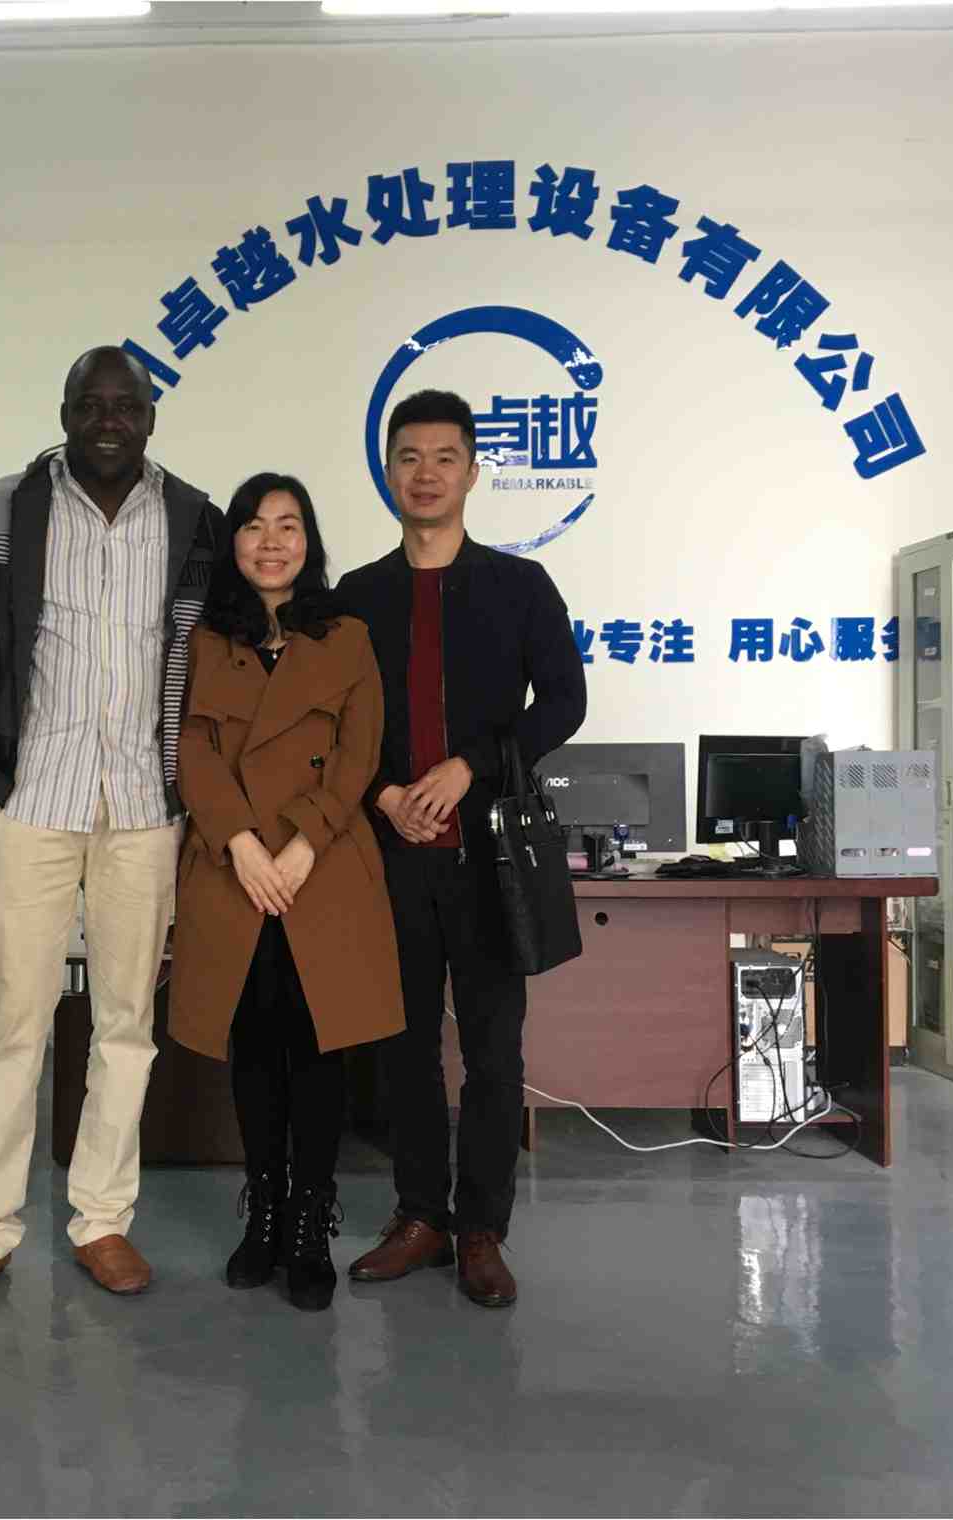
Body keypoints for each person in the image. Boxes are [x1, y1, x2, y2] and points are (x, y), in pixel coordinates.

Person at [0, 347, 222, 1305]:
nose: (107, 420)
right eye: (90, 404)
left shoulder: (192, 517)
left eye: (125, 405)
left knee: (125, 1026)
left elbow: (209, 649)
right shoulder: (2, 510)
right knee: (9, 1023)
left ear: (150, 416)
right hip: (33, 802)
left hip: (142, 806)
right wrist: (12, 711)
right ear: (63, 412)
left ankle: (102, 1221)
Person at [333, 389, 586, 1309]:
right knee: (401, 1049)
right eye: (409, 457)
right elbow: (330, 723)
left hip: (487, 860)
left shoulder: (519, 586)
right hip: (388, 853)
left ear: (473, 472)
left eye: (445, 457)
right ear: (388, 472)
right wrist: (383, 791)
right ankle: (418, 1217)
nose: (426, 474)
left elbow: (564, 702)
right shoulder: (355, 597)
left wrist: (470, 766)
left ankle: (481, 1229)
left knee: (491, 1051)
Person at [164, 473, 404, 1312]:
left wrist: (300, 845)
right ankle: (262, 1212)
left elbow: (358, 753)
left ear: (310, 541)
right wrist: (240, 843)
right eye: (254, 526)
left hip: (320, 866)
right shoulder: (204, 639)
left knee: (316, 1049)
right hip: (233, 867)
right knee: (254, 1046)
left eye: (289, 525)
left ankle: (309, 1222)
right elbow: (192, 749)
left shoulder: (346, 636)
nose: (271, 542)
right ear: (231, 541)